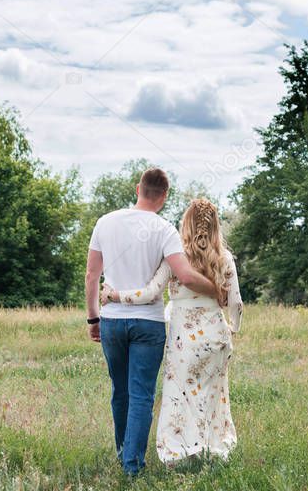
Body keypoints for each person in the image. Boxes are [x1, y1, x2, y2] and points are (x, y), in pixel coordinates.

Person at [85, 169, 219, 475]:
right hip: (147, 324)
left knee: (120, 391)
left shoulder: (105, 222)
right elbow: (185, 275)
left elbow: (92, 275)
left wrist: (93, 317)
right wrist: (217, 290)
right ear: (164, 196)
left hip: (112, 321)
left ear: (138, 189)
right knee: (141, 394)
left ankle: (123, 454)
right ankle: (132, 466)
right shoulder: (164, 229)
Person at [101, 198, 243, 465]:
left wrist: (115, 295)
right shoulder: (224, 259)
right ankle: (212, 450)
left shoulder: (176, 260)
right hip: (216, 335)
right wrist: (233, 328)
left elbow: (150, 292)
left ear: (186, 225)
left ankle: (181, 453)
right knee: (213, 394)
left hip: (184, 341)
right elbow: (236, 303)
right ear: (215, 227)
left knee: (181, 395)